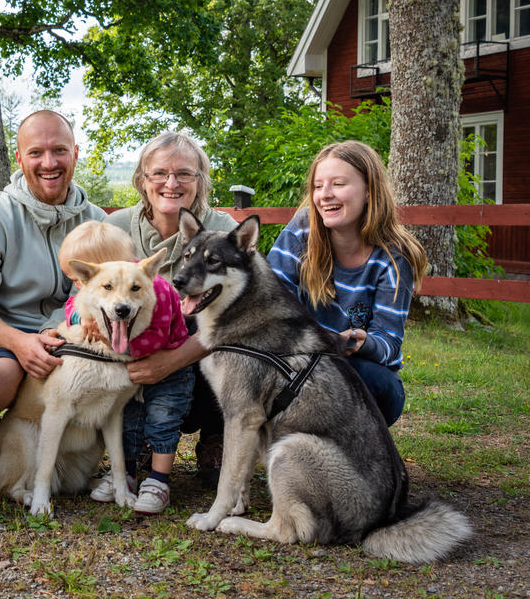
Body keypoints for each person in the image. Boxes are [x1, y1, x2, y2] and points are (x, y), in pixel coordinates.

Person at [0, 110, 105, 457]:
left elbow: (96, 293)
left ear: (76, 153)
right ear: (19, 159)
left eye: (59, 150)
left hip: (69, 330)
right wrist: (20, 342)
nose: (48, 162)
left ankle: (120, 444)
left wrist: (56, 332)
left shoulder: (96, 221)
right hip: (4, 334)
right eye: (36, 153)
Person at [104, 130, 237, 488]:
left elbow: (243, 314)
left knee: (207, 324)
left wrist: (172, 360)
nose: (171, 183)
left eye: (184, 174)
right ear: (142, 180)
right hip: (135, 359)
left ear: (200, 181)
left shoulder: (223, 230)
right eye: (160, 173)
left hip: (203, 358)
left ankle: (216, 437)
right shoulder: (116, 229)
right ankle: (142, 440)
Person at [267, 140, 427, 426]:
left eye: (338, 184)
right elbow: (270, 298)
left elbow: (389, 343)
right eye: (318, 186)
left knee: (378, 382)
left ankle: (347, 444)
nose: (325, 195)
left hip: (351, 365)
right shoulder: (302, 229)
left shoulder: (394, 257)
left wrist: (365, 343)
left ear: (369, 190)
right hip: (298, 359)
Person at [58, 221, 189, 514]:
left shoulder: (157, 287)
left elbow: (159, 334)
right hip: (133, 366)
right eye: (78, 280)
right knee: (129, 419)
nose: (79, 286)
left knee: (162, 421)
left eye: (81, 279)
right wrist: (83, 319)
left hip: (171, 366)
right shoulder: (102, 285)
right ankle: (126, 475)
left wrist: (120, 347)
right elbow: (72, 305)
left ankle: (159, 480)